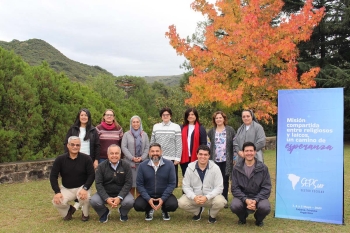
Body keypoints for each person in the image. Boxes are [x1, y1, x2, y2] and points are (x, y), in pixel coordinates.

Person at [50, 136, 95, 221]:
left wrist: (85, 188)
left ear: (80, 146)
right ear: (68, 145)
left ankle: (85, 214)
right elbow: (53, 176)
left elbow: (91, 175)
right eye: (73, 144)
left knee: (86, 197)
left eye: (77, 145)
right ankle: (69, 210)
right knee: (57, 202)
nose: (75, 147)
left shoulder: (86, 158)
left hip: (82, 187)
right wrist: (57, 192)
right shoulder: (60, 159)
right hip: (66, 188)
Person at [178, 145, 227, 223]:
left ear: (209, 156)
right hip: (195, 198)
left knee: (221, 202)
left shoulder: (215, 168)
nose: (203, 157)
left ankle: (212, 215)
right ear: (197, 155)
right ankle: (198, 211)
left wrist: (207, 197)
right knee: (181, 202)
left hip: (210, 198)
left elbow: (219, 187)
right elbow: (186, 186)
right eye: (200, 154)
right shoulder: (190, 167)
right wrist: (194, 197)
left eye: (205, 155)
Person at [64, 108, 100, 210]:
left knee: (87, 181)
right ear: (79, 117)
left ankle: (81, 203)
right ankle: (78, 200)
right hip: (74, 158)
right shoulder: (73, 129)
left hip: (88, 159)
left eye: (86, 115)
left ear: (88, 117)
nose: (84, 117)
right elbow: (66, 144)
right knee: (76, 180)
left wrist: (96, 160)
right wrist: (67, 157)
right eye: (82, 115)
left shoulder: (93, 130)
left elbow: (97, 146)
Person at [230, 142, 271, 227]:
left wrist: (256, 200)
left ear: (255, 152)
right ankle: (242, 217)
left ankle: (258, 219)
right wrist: (246, 200)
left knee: (265, 207)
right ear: (243, 152)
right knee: (235, 205)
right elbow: (235, 188)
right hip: (242, 196)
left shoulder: (263, 168)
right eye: (247, 151)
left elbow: (266, 188)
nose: (249, 153)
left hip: (258, 196)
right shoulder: (236, 168)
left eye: (251, 151)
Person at [90, 144, 134, 223]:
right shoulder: (101, 167)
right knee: (94, 200)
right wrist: (106, 198)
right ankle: (104, 212)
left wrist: (119, 197)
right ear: (108, 155)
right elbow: (98, 184)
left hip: (121, 193)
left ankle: (123, 212)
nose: (114, 155)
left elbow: (128, 183)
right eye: (112, 153)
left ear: (120, 155)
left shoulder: (126, 166)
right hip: (106, 193)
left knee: (130, 201)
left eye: (116, 153)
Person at [134, 143, 178, 221]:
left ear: (161, 152)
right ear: (149, 152)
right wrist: (148, 199)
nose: (155, 153)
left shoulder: (169, 164)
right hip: (148, 195)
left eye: (157, 151)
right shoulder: (142, 166)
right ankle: (149, 209)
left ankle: (165, 209)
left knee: (173, 205)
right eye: (152, 151)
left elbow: (172, 184)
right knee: (138, 205)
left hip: (164, 194)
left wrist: (163, 198)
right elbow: (139, 184)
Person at [207, 111, 236, 207]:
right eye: (216, 118)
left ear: (224, 119)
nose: (218, 119)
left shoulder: (230, 130)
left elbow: (235, 144)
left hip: (226, 160)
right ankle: (215, 199)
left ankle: (224, 200)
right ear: (214, 120)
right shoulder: (211, 131)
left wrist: (234, 157)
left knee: (225, 180)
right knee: (214, 180)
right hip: (214, 160)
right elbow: (208, 145)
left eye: (220, 117)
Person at [150, 107, 182, 187]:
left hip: (171, 158)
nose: (165, 116)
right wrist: (151, 154)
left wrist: (177, 158)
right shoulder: (156, 127)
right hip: (157, 157)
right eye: (163, 115)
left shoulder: (176, 127)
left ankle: (169, 197)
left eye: (167, 115)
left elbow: (179, 143)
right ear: (161, 116)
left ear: (170, 116)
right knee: (158, 179)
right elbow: (152, 142)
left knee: (171, 180)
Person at [121, 115, 150, 197]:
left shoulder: (144, 134)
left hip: (142, 163)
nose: (135, 124)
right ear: (131, 123)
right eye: (133, 122)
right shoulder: (126, 134)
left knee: (140, 184)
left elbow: (147, 147)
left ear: (140, 123)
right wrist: (132, 158)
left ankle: (139, 201)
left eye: (137, 122)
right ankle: (130, 201)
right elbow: (123, 147)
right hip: (130, 163)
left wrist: (142, 158)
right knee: (131, 184)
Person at [180, 108, 207, 177]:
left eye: (192, 114)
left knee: (196, 177)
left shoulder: (201, 128)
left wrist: (201, 155)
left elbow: (204, 144)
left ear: (196, 116)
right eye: (188, 114)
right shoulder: (181, 128)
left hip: (196, 157)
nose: (190, 116)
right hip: (184, 157)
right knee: (186, 177)